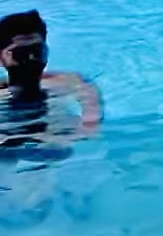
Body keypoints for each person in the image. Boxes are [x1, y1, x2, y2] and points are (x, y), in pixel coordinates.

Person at [0, 11, 102, 147]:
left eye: (36, 51)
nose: (31, 58)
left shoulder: (72, 83)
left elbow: (91, 129)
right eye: (21, 54)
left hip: (56, 140)